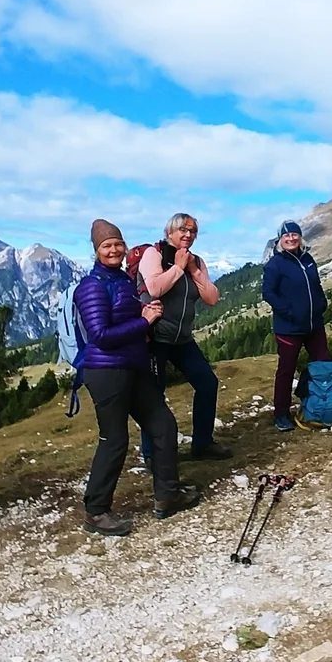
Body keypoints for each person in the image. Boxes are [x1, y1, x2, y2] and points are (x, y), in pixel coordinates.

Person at [75, 219, 201, 535]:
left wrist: (147, 315)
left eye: (117, 243)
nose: (114, 249)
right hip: (106, 371)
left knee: (163, 425)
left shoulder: (122, 279)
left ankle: (167, 495)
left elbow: (129, 321)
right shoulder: (91, 286)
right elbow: (100, 335)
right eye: (107, 245)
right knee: (114, 440)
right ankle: (96, 511)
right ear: (96, 250)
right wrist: (144, 322)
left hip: (133, 367)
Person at [136, 213, 232, 462]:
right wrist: (178, 267)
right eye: (182, 230)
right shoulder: (154, 254)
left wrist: (192, 270)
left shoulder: (196, 261)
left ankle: (202, 444)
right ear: (170, 232)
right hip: (155, 338)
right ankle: (151, 455)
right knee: (154, 395)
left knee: (207, 383)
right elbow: (154, 288)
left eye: (192, 231)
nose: (187, 234)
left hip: (183, 339)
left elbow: (211, 298)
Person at [260, 221, 330, 431]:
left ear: (300, 237)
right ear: (280, 240)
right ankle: (281, 414)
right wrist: (289, 312)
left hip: (314, 325)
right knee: (286, 371)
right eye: (286, 235)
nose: (291, 238)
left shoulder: (308, 259)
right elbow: (268, 293)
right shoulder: (275, 264)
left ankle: (325, 405)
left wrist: (321, 303)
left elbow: (315, 285)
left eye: (295, 234)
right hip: (288, 328)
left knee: (324, 365)